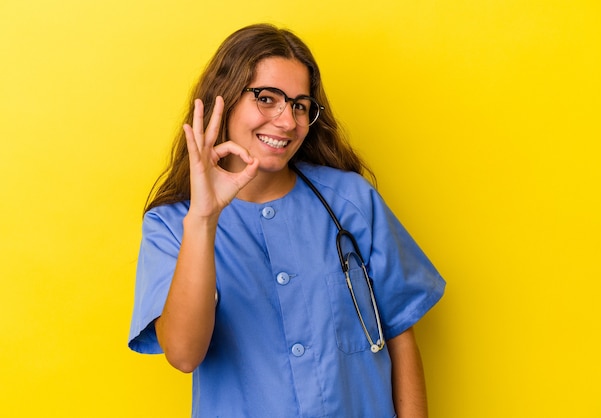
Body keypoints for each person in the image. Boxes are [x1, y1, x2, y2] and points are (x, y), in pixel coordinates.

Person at [128, 23, 445, 418]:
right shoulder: (174, 226)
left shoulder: (350, 202)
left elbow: (398, 335)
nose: (287, 121)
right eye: (266, 98)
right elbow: (183, 354)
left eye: (299, 105)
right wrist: (204, 220)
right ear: (223, 100)